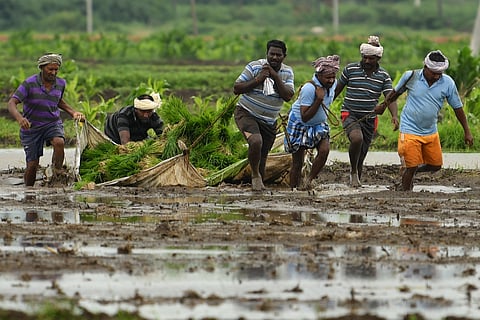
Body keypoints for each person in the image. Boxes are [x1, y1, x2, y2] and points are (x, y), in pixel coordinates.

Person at [381, 50, 474, 191]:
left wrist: (467, 131)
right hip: (409, 128)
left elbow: (458, 108)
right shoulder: (411, 76)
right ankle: (405, 192)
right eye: (433, 72)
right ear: (425, 66)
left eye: (439, 73)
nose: (437, 76)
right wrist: (382, 107)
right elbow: (394, 94)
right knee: (411, 165)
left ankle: (411, 171)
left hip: (430, 130)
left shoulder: (447, 83)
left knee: (435, 165)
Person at [7, 53, 85, 187]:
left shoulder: (61, 83)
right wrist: (20, 119)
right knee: (32, 165)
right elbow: (11, 103)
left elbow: (58, 101)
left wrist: (73, 112)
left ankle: (57, 172)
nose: (53, 72)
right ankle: (29, 191)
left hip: (52, 123)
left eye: (56, 69)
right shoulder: (29, 84)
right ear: (42, 68)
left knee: (59, 142)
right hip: (31, 127)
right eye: (50, 69)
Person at [334, 35, 399, 187]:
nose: (367, 61)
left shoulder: (383, 76)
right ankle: (353, 172)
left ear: (378, 58)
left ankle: (356, 180)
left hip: (369, 118)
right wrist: (323, 107)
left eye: (371, 59)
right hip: (350, 114)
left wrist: (394, 115)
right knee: (357, 139)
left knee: (362, 152)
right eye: (365, 58)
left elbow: (390, 97)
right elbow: (336, 90)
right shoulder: (350, 69)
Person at [233, 39, 295, 191]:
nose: (274, 57)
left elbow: (288, 96)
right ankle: (255, 176)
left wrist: (274, 76)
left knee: (263, 154)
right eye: (271, 54)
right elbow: (237, 87)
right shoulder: (254, 67)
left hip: (269, 121)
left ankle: (258, 184)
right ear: (266, 54)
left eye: (278, 55)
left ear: (284, 56)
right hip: (246, 113)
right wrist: (258, 79)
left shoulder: (287, 72)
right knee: (255, 141)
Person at [284, 55, 340, 190]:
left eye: (333, 77)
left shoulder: (333, 84)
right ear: (319, 75)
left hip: (319, 124)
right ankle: (293, 190)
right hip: (300, 124)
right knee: (297, 162)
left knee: (324, 151)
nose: (331, 80)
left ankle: (308, 181)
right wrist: (318, 99)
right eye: (328, 78)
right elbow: (304, 117)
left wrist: (323, 98)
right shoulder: (309, 89)